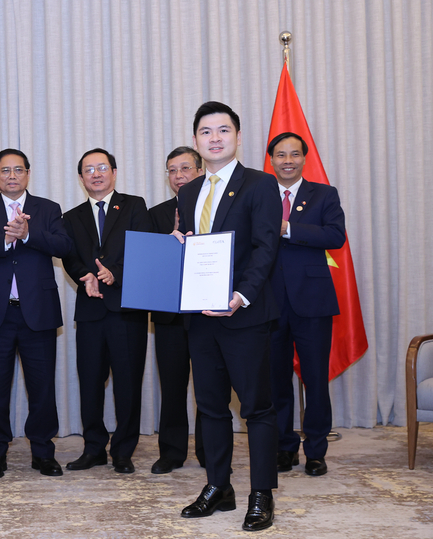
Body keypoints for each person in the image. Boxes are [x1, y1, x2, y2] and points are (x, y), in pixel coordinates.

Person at [174, 102, 281, 532]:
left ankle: (262, 493)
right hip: (200, 316)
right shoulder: (188, 189)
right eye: (205, 131)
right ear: (197, 140)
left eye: (223, 130)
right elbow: (199, 248)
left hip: (244, 314)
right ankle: (218, 486)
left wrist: (241, 296)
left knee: (257, 408)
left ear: (237, 136)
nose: (214, 138)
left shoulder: (260, 184)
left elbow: (265, 248)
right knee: (212, 407)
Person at [0, 149, 73, 479]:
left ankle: (43, 451)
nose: (12, 175)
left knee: (42, 387)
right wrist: (6, 240)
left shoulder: (47, 208)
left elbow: (64, 246)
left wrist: (28, 235)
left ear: (28, 174)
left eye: (18, 170)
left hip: (36, 311)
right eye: (5, 170)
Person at [61, 148, 152, 474]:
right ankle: (94, 448)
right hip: (90, 311)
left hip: (126, 309)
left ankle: (124, 451)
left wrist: (117, 273)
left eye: (102, 168)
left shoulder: (134, 205)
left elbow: (144, 247)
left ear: (113, 172)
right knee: (90, 382)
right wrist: (84, 275)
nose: (96, 174)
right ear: (81, 177)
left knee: (128, 382)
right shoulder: (71, 217)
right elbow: (69, 256)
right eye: (89, 169)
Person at [266, 132, 346, 477]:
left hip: (312, 301)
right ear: (270, 159)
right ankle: (285, 448)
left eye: (294, 155)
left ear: (304, 158)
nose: (287, 161)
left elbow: (334, 236)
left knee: (315, 380)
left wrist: (288, 228)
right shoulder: (260, 194)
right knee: (276, 381)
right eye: (281, 155)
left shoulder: (324, 194)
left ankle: (316, 450)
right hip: (269, 301)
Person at [148, 146, 205, 473]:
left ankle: (209, 451)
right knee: (171, 385)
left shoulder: (215, 208)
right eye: (172, 170)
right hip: (169, 313)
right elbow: (149, 264)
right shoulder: (156, 214)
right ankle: (171, 452)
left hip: (206, 312)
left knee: (209, 387)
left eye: (185, 168)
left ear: (199, 171)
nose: (179, 176)